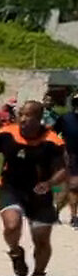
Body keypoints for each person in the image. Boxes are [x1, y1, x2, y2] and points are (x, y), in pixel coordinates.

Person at [0, 100, 68, 276]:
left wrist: (49, 183)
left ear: (39, 119)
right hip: (11, 187)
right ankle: (15, 252)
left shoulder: (52, 141)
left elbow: (63, 170)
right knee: (12, 225)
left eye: (28, 115)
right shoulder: (7, 134)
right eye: (21, 114)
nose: (23, 119)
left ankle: (39, 273)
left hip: (40, 192)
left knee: (41, 239)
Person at [52, 93, 78, 228]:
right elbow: (53, 134)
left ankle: (57, 212)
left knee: (71, 187)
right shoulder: (66, 119)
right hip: (70, 155)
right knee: (73, 186)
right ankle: (73, 217)